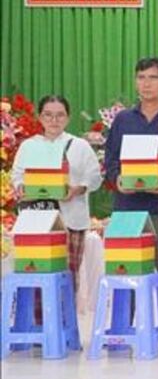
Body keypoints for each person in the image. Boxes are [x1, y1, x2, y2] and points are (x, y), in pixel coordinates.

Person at [104, 57, 158, 344]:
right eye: (141, 77)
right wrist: (118, 178)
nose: (147, 84)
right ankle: (123, 325)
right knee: (127, 266)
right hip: (127, 208)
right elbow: (110, 158)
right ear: (135, 82)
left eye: (153, 78)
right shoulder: (123, 119)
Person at [11, 95, 103, 292]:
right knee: (35, 275)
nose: (54, 120)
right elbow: (17, 176)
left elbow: (95, 177)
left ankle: (65, 313)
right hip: (35, 221)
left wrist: (77, 189)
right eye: (48, 115)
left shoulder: (80, 145)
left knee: (67, 278)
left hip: (71, 222)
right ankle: (38, 314)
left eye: (60, 115)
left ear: (68, 118)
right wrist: (23, 188)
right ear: (40, 117)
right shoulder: (29, 146)